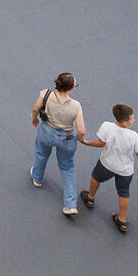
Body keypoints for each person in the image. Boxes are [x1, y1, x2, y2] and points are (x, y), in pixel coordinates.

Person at [30, 69, 86, 215]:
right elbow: (81, 130)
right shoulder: (76, 106)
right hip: (66, 137)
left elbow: (35, 108)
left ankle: (37, 178)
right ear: (70, 88)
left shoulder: (46, 94)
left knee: (41, 154)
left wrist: (34, 119)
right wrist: (80, 139)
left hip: (47, 131)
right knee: (67, 167)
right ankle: (70, 204)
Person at [87, 101, 138, 234]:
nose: (134, 119)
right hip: (125, 170)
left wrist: (87, 142)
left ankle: (90, 197)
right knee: (124, 192)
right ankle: (122, 220)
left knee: (96, 177)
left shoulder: (107, 126)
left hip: (107, 163)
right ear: (125, 122)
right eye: (132, 118)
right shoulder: (134, 136)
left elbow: (101, 143)